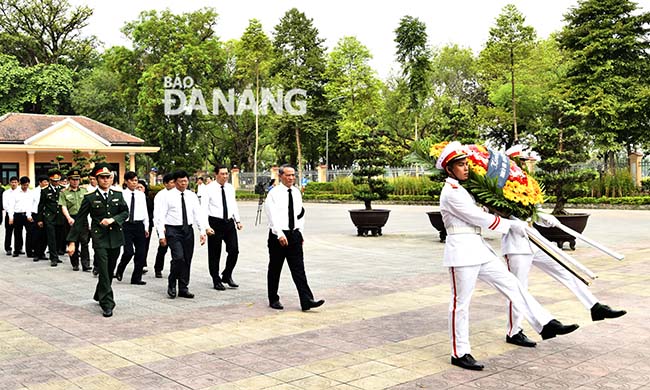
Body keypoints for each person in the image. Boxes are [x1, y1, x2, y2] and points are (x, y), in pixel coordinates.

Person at [437, 141, 579, 371]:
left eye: (466, 164)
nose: (465, 168)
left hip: (478, 248)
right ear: (449, 169)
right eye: (460, 165)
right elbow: (478, 218)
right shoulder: (451, 193)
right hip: (461, 252)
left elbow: (483, 214)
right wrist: (512, 225)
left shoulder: (465, 190)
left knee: (512, 284)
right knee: (460, 304)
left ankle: (545, 323)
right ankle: (459, 352)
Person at [500, 146, 626, 347]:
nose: (522, 166)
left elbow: (533, 213)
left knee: (566, 269)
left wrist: (545, 219)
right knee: (519, 289)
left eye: (524, 162)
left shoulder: (526, 184)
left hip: (536, 240)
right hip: (516, 245)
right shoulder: (498, 187)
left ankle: (594, 306)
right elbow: (501, 217)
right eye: (519, 161)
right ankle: (514, 331)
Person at [67, 163, 129, 317]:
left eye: (108, 177)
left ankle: (99, 292)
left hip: (115, 237)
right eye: (102, 177)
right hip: (99, 237)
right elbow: (80, 220)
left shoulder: (118, 195)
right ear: (96, 179)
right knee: (102, 267)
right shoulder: (89, 198)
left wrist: (113, 219)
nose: (105, 180)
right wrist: (72, 241)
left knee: (109, 269)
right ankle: (107, 303)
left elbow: (125, 213)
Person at [264, 164, 324, 311]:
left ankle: (306, 300)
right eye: (288, 175)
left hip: (294, 235)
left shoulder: (297, 192)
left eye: (293, 175)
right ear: (280, 176)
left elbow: (300, 214)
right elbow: (272, 215)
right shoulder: (273, 193)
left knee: (299, 269)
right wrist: (279, 234)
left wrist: (300, 232)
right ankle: (273, 298)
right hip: (278, 236)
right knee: (275, 268)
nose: (291, 178)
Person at [155, 170, 208, 299]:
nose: (184, 184)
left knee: (187, 259)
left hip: (188, 230)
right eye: (181, 181)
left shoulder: (191, 196)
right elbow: (159, 216)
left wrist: (202, 231)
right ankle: (172, 282)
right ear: (175, 182)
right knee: (178, 258)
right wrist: (161, 235)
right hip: (173, 230)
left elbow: (198, 214)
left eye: (186, 181)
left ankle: (183, 287)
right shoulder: (167, 196)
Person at [203, 165, 243, 290]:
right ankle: (216, 279)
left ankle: (227, 274)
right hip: (215, 223)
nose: (225, 176)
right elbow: (203, 208)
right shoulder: (208, 189)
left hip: (229, 223)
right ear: (216, 175)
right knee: (215, 253)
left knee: (234, 250)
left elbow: (233, 204)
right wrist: (206, 227)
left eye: (227, 173)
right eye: (222, 174)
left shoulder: (230, 188)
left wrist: (238, 220)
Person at [114, 171, 149, 285]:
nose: (134, 183)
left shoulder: (141, 195)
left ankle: (136, 278)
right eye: (132, 181)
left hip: (139, 225)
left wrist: (146, 226)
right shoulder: (121, 195)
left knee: (141, 253)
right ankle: (120, 268)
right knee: (128, 252)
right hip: (126, 225)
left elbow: (145, 211)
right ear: (126, 181)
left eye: (136, 180)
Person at [59, 169, 91, 271]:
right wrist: (68, 218)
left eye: (77, 179)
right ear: (69, 180)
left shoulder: (84, 191)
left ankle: (86, 265)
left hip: (83, 219)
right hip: (71, 218)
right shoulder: (64, 192)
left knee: (85, 242)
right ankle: (75, 264)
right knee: (73, 242)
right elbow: (63, 206)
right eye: (73, 180)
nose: (75, 182)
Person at [37, 170, 63, 266]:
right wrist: (40, 219)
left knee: (58, 237)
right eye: (54, 181)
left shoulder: (63, 189)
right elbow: (41, 205)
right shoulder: (45, 190)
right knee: (51, 238)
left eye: (58, 180)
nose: (56, 182)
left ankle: (56, 254)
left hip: (60, 217)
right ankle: (53, 258)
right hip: (49, 217)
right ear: (50, 180)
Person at [153, 173, 175, 278]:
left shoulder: (177, 193)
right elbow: (157, 213)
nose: (174, 184)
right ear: (165, 184)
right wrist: (160, 228)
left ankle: (175, 269)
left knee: (175, 248)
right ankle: (158, 268)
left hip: (174, 226)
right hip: (163, 225)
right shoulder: (160, 196)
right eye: (171, 182)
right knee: (163, 247)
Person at [7, 176, 33, 257]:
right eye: (24, 185)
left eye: (27, 185)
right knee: (17, 233)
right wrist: (11, 217)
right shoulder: (15, 193)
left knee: (30, 233)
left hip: (27, 215)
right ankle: (17, 250)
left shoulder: (30, 193)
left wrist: (29, 215)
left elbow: (30, 205)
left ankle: (29, 251)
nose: (25, 187)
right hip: (17, 215)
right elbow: (11, 206)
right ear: (20, 184)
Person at [31, 175, 50, 261]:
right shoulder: (34, 191)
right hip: (37, 214)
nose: (46, 183)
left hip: (47, 214)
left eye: (47, 181)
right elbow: (31, 204)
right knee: (37, 235)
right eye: (45, 182)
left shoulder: (48, 191)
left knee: (45, 235)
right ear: (40, 182)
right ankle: (36, 253)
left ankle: (42, 252)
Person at [137, 179, 154, 274]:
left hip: (147, 225)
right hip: (135, 224)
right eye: (137, 187)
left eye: (141, 187)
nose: (139, 189)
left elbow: (152, 213)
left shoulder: (149, 200)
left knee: (145, 245)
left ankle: (143, 262)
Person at [3, 176, 19, 256]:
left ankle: (19, 248)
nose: (14, 184)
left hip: (17, 215)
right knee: (8, 232)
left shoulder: (20, 192)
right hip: (8, 214)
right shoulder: (6, 193)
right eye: (12, 182)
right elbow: (5, 205)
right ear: (9, 183)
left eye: (15, 182)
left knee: (18, 232)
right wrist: (10, 216)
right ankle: (8, 248)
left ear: (18, 183)